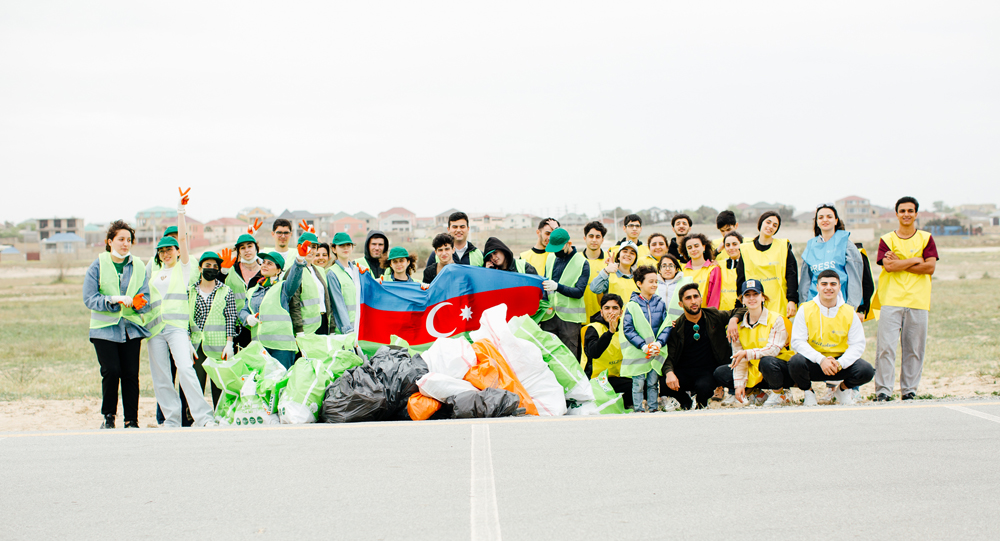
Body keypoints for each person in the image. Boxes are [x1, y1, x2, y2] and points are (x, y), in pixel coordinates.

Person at [144, 192, 215, 428]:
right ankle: (171, 419)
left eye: (170, 250)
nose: (166, 253)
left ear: (176, 251)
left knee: (185, 370)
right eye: (162, 251)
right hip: (155, 331)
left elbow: (183, 239)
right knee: (162, 377)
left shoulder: (184, 269)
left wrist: (181, 212)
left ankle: (203, 417)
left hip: (176, 329)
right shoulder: (153, 271)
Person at [83, 220, 152, 429]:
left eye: (129, 240)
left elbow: (145, 296)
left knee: (131, 374)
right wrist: (114, 300)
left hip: (130, 328)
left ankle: (132, 420)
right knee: (111, 371)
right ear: (109, 241)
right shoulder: (98, 265)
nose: (125, 244)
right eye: (121, 239)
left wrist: (141, 304)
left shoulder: (139, 265)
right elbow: (89, 298)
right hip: (104, 330)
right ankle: (109, 416)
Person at [874, 196, 938, 401]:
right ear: (897, 214)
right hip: (891, 300)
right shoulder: (887, 239)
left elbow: (930, 267)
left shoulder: (926, 238)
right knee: (886, 348)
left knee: (914, 349)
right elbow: (889, 266)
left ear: (916, 214)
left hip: (918, 301)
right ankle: (883, 391)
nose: (906, 214)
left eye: (910, 211)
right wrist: (914, 260)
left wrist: (900, 262)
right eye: (902, 211)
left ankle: (909, 390)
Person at [789, 270, 875, 406]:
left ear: (839, 287)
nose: (828, 287)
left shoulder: (849, 312)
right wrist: (821, 359)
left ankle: (842, 390)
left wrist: (841, 363)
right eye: (824, 284)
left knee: (866, 370)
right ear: (817, 287)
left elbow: (857, 344)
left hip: (839, 364)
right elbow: (797, 341)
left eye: (833, 284)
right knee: (795, 362)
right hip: (815, 362)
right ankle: (808, 393)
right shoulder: (805, 309)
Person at [661, 283, 744, 410]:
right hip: (685, 371)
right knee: (663, 381)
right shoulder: (677, 327)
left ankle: (701, 404)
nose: (693, 301)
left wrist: (733, 320)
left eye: (696, 297)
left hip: (708, 371)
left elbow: (742, 310)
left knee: (703, 387)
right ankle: (686, 402)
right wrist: (669, 372)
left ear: (700, 299)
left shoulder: (713, 315)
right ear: (681, 304)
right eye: (688, 298)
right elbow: (669, 355)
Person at [713, 279, 794, 407]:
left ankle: (781, 394)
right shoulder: (738, 326)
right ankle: (756, 394)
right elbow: (739, 358)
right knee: (721, 372)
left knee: (766, 362)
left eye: (755, 294)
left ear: (763, 297)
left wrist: (746, 353)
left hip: (776, 367)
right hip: (754, 369)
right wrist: (739, 386)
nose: (752, 298)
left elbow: (773, 350)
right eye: (747, 295)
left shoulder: (776, 319)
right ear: (742, 300)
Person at [240, 242, 311, 369]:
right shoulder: (253, 291)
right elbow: (243, 311)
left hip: (281, 348)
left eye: (270, 263)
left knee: (280, 384)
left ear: (278, 270)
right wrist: (247, 318)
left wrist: (300, 259)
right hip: (260, 346)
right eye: (264, 262)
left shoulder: (283, 288)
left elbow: (294, 278)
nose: (264, 265)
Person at [189, 251, 239, 410]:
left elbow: (231, 317)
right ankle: (193, 416)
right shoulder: (191, 292)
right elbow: (186, 318)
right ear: (199, 268)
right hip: (196, 346)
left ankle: (220, 415)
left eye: (215, 267)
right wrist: (187, 341)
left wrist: (229, 344)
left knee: (219, 385)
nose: (211, 269)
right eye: (207, 266)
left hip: (219, 346)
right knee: (195, 384)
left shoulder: (226, 291)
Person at [620, 266, 672, 412]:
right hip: (639, 351)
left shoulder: (660, 303)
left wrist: (659, 343)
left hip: (655, 350)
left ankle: (653, 408)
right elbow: (628, 329)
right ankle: (639, 410)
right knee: (638, 383)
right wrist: (642, 345)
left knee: (653, 382)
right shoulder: (632, 305)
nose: (654, 285)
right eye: (651, 281)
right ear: (639, 283)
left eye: (656, 281)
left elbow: (666, 325)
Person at [798, 204, 864, 310]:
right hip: (814, 304)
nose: (825, 220)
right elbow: (805, 280)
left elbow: (855, 277)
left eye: (829, 217)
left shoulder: (846, 244)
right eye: (821, 217)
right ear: (817, 222)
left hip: (840, 304)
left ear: (836, 220)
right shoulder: (811, 246)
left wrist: (853, 306)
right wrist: (803, 304)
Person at [736, 211, 799, 319]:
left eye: (775, 225)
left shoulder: (783, 247)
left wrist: (792, 300)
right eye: (768, 222)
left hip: (779, 301)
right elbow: (740, 278)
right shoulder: (746, 249)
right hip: (754, 302)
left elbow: (791, 275)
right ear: (761, 223)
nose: (771, 226)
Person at [540, 227, 590, 358]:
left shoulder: (582, 263)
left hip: (570, 321)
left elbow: (579, 292)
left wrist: (558, 287)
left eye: (559, 249)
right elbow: (545, 287)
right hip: (549, 317)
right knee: (547, 356)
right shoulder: (550, 259)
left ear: (569, 244)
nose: (557, 253)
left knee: (569, 358)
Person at [583, 294, 633, 409]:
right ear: (601, 312)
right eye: (607, 308)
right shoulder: (592, 328)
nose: (611, 311)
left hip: (620, 377)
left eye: (615, 308)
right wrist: (610, 332)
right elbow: (594, 353)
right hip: (598, 379)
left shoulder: (627, 329)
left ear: (621, 312)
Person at [220, 225, 263, 350]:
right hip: (237, 327)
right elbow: (217, 287)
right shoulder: (231, 269)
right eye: (242, 248)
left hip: (260, 326)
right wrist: (223, 272)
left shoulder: (265, 269)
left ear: (256, 248)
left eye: (250, 246)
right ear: (238, 251)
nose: (247, 250)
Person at [288, 232, 331, 336]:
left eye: (314, 247)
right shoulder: (295, 271)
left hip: (322, 322)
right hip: (306, 328)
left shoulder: (319, 270)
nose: (311, 250)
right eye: (307, 246)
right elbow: (294, 303)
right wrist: (299, 330)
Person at [325, 232, 361, 335]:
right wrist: (348, 330)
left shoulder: (356, 270)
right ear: (334, 249)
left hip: (359, 327)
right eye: (341, 245)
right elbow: (338, 304)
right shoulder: (332, 273)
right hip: (344, 331)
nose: (345, 248)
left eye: (348, 245)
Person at [681, 233, 722, 308]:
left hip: (706, 315)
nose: (693, 249)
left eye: (696, 246)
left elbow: (714, 297)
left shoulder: (713, 268)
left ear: (703, 247)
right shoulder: (682, 270)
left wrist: (710, 316)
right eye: (689, 248)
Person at [654, 254, 692, 325]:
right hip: (659, 325)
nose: (667, 269)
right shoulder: (654, 284)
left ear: (676, 269)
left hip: (681, 323)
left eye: (671, 266)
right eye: (664, 266)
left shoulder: (686, 282)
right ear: (659, 270)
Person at [581, 221, 608, 321]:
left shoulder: (609, 260)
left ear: (602, 240)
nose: (594, 240)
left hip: (602, 319)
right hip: (579, 318)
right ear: (585, 238)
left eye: (598, 237)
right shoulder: (576, 259)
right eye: (591, 236)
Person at [719, 231, 743, 311]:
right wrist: (717, 251)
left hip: (741, 310)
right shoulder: (719, 265)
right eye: (727, 245)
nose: (731, 248)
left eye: (735, 244)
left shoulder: (748, 264)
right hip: (723, 311)